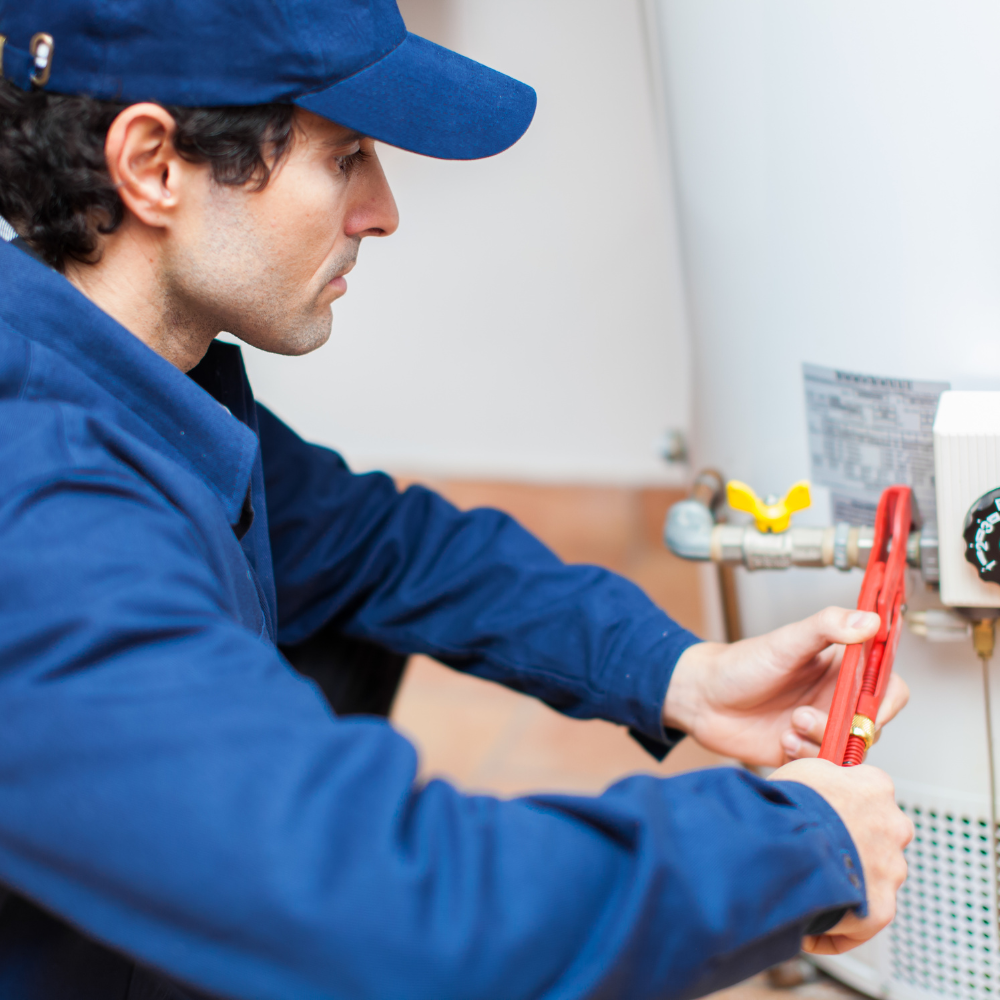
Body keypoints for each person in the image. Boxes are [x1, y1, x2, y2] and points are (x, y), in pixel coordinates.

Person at [0, 2, 913, 998]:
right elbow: (392, 910)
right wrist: (796, 850)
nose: (382, 210)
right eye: (344, 156)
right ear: (154, 165)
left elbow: (384, 545)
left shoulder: (136, 388)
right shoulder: (41, 509)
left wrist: (677, 673)